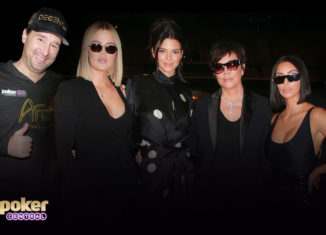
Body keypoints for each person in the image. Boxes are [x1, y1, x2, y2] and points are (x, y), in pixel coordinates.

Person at [54, 21, 138, 226]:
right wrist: (79, 198)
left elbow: (127, 142)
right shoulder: (70, 90)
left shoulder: (122, 91)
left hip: (126, 194)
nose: (103, 52)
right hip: (88, 199)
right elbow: (63, 153)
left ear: (116, 54)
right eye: (96, 46)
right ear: (86, 49)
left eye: (110, 48)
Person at [188, 40, 272, 222]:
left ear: (243, 68)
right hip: (208, 200)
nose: (225, 71)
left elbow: (268, 155)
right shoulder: (202, 106)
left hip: (250, 200)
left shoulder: (262, 106)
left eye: (232, 64)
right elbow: (190, 147)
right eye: (219, 67)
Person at [125, 18, 194, 225]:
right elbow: (125, 130)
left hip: (181, 175)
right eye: (162, 51)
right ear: (153, 52)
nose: (168, 58)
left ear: (182, 54)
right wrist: (133, 152)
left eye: (175, 51)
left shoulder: (186, 93)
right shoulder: (136, 84)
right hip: (147, 174)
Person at [0, 7, 69, 203]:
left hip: (49, 200)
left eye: (54, 45)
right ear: (24, 35)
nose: (46, 51)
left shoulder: (61, 86)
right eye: (40, 39)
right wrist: (5, 145)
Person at [264, 55, 326, 219]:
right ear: (274, 83)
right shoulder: (274, 119)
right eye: (280, 78)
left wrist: (319, 170)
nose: (285, 83)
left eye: (292, 76)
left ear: (302, 79)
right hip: (273, 204)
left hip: (304, 206)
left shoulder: (316, 115)